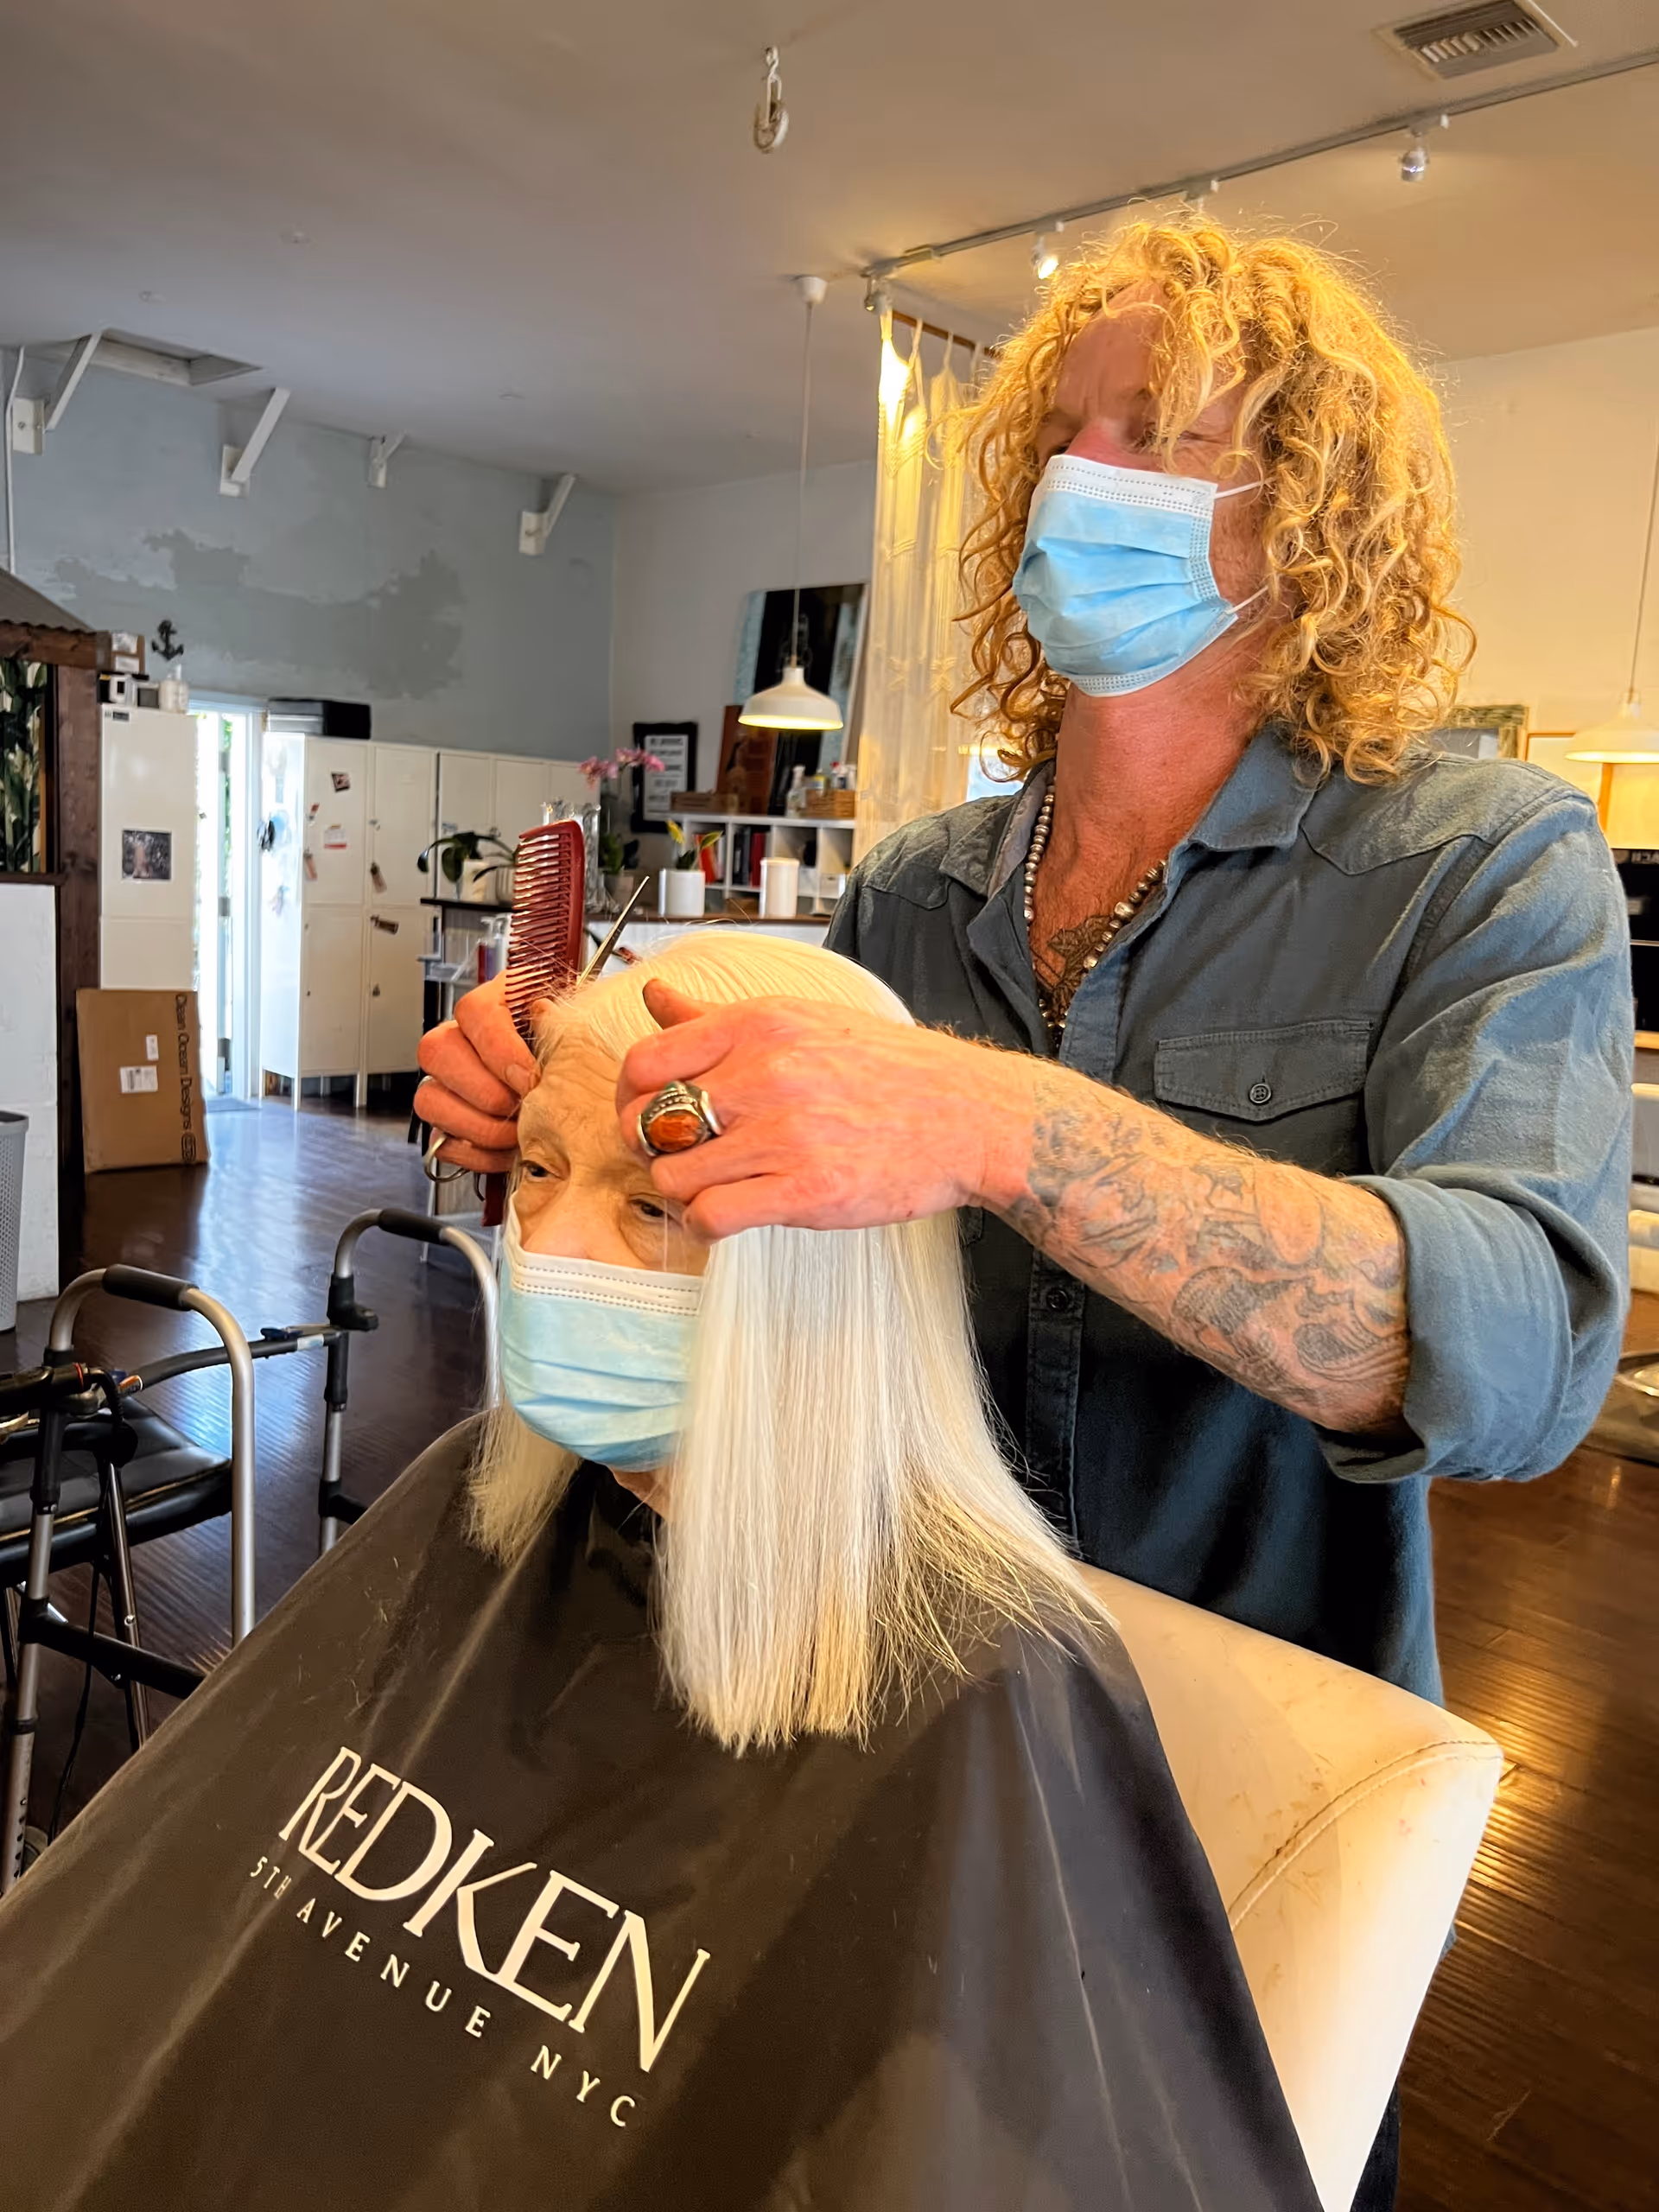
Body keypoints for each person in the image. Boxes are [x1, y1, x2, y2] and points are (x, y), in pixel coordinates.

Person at [416, 220, 1634, 2209]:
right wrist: (565, 1132)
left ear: (1302, 503)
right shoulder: (915, 892)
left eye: (1151, 431)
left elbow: (1521, 1354)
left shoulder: (1480, 867)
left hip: (1240, 1794)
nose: (1080, 475)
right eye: (1060, 433)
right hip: (895, 1737)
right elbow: (775, 1278)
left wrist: (1005, 1125)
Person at [0, 936, 1319, 2212]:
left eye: (650, 1204)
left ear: (817, 1258)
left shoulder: (981, 1689)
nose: (550, 1249)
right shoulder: (481, 1499)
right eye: (537, 1170)